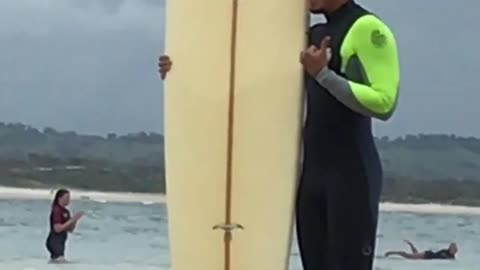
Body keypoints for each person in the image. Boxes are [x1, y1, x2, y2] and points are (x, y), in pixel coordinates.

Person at [157, 0, 400, 269]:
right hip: (312, 176)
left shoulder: (367, 29)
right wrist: (182, 68)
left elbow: (384, 102)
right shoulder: (314, 35)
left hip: (352, 176)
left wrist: (322, 74)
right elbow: (254, 70)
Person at [45, 188, 84, 262]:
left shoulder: (66, 212)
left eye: (69, 198)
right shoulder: (56, 210)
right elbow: (57, 229)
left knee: (57, 262)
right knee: (61, 263)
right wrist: (71, 220)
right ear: (60, 198)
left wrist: (75, 220)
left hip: (61, 241)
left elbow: (70, 229)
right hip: (54, 241)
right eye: (66, 198)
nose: (68, 200)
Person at [385, 240, 458, 260]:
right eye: (452, 248)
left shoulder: (451, 257)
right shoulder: (445, 251)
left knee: (414, 255)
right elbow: (437, 254)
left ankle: (411, 245)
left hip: (427, 256)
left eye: (453, 249)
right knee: (408, 256)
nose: (452, 249)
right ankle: (391, 253)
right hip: (428, 255)